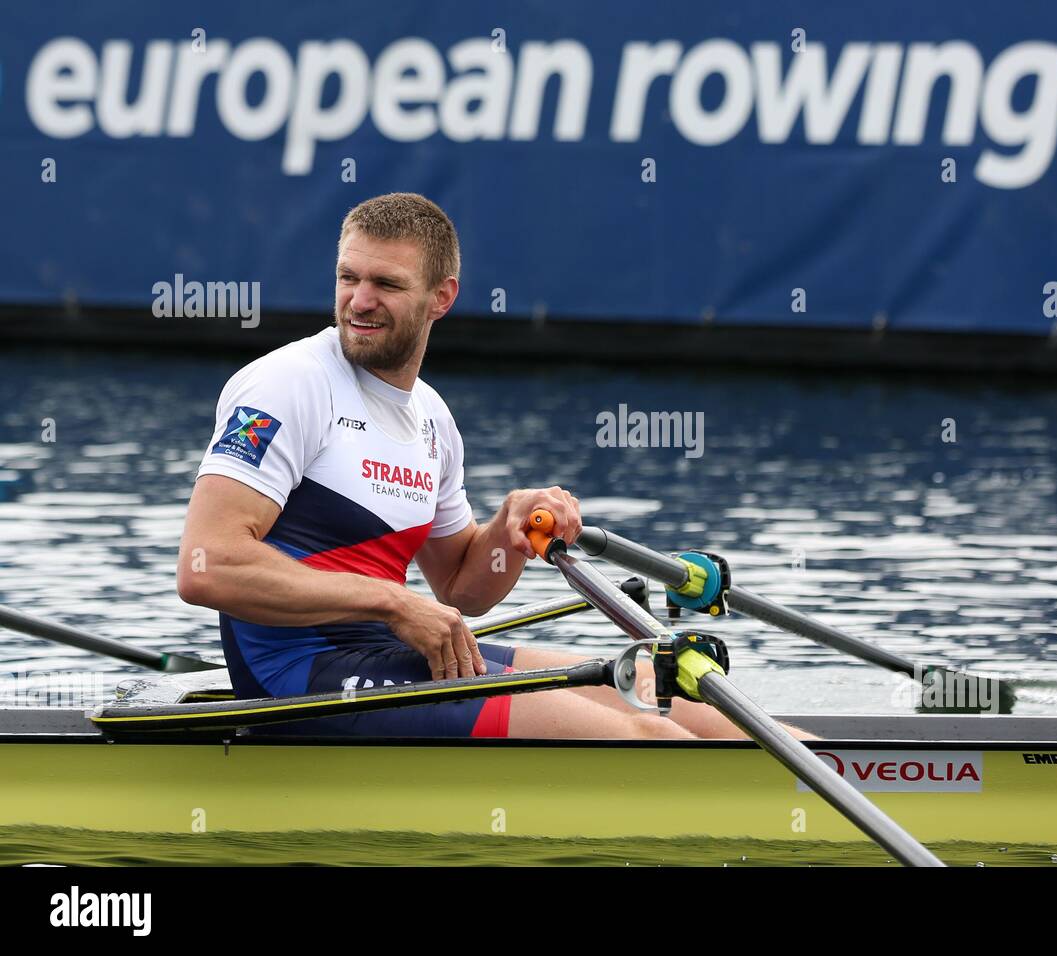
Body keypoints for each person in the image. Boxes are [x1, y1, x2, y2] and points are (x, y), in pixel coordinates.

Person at [177, 192, 809, 740]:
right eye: (348, 278)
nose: (359, 302)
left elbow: (463, 590)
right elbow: (208, 567)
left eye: (386, 285)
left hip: (394, 652)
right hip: (301, 674)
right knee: (643, 730)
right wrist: (395, 604)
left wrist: (507, 528)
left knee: (662, 687)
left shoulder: (431, 419)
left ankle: (869, 770)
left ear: (441, 297)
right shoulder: (288, 385)